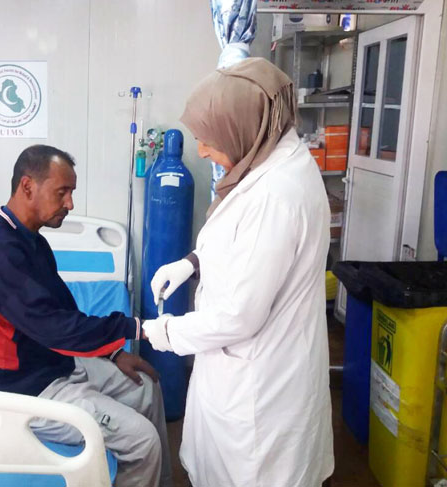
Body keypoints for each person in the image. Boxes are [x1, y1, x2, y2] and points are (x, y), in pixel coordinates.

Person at [142, 58, 334, 487]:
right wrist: (192, 263)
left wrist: (165, 333)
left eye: (208, 140)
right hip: (239, 370)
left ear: (241, 128)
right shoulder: (266, 162)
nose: (204, 152)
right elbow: (244, 244)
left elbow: (238, 316)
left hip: (260, 388)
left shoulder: (275, 193)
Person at [0, 144, 172, 487]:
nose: (70, 203)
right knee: (142, 440)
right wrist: (136, 328)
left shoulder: (32, 241)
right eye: (62, 192)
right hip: (14, 393)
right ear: (27, 187)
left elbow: (61, 309)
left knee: (145, 387)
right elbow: (54, 327)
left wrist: (113, 352)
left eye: (71, 192)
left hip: (47, 365)